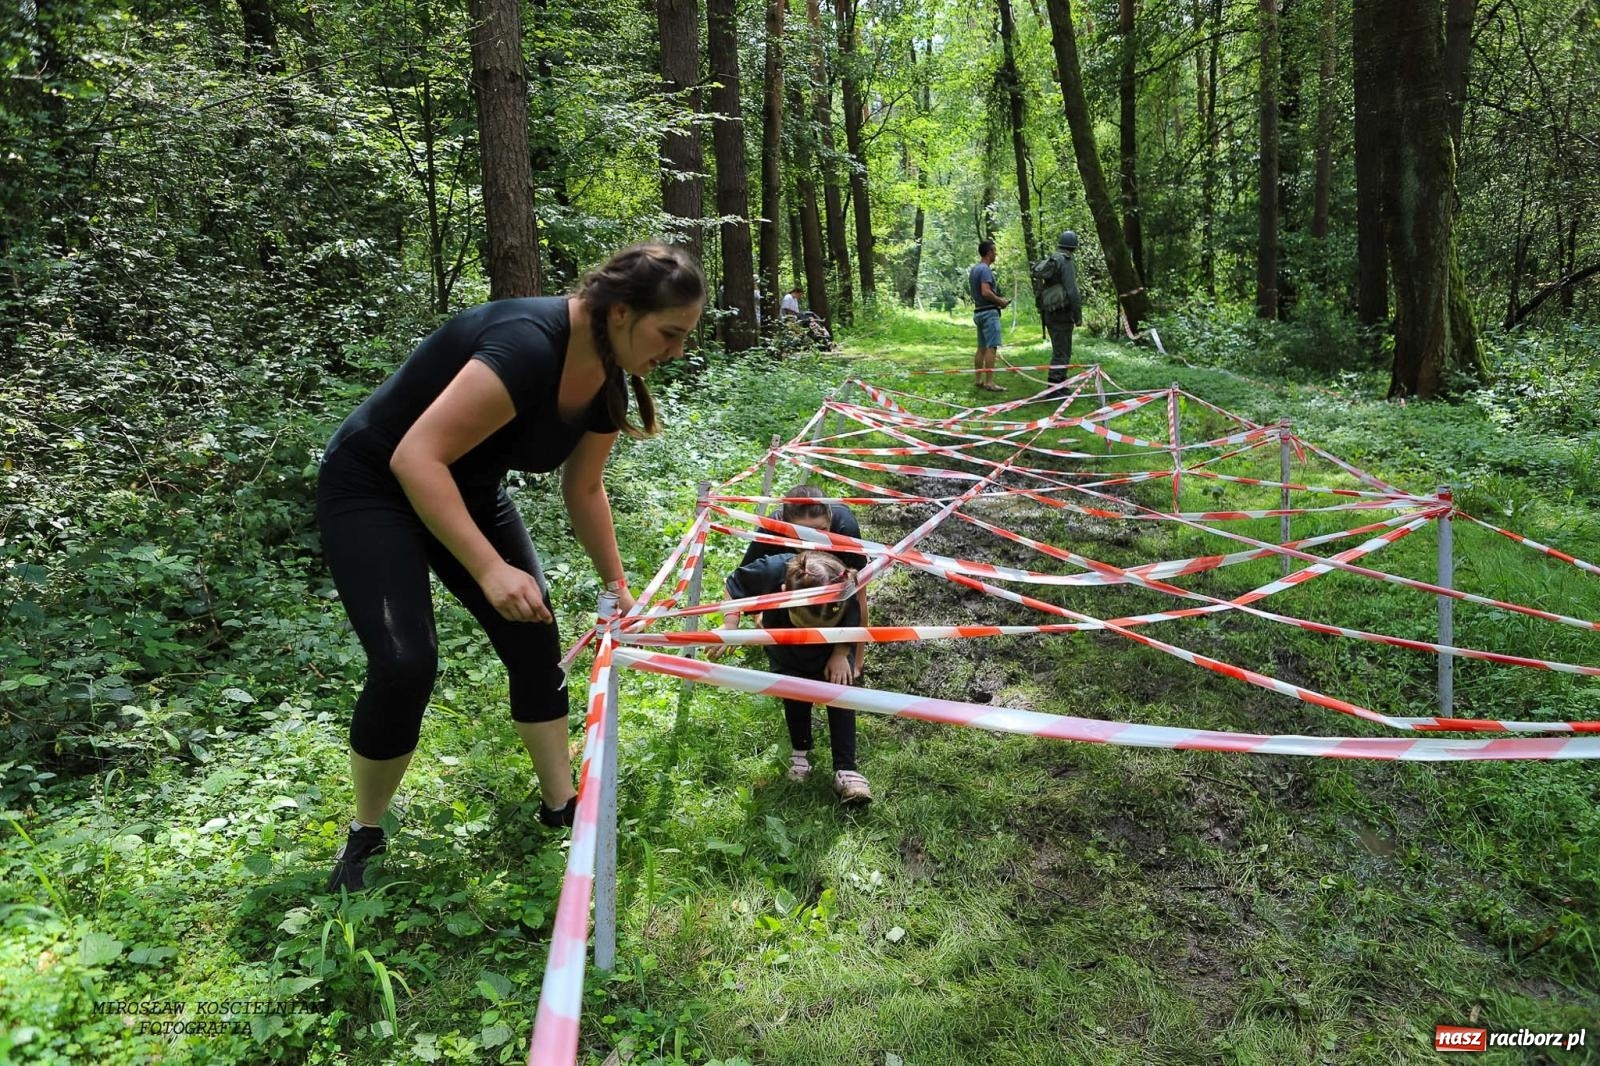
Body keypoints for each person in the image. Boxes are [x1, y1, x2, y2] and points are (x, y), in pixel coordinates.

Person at [317, 244, 705, 892]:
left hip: (463, 486)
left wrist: (617, 587)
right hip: (373, 484)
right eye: (670, 333)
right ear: (619, 313)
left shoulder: (607, 382)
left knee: (534, 636)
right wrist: (491, 569)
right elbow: (415, 458)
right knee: (405, 663)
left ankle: (561, 805)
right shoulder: (527, 345)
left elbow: (583, 490)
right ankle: (364, 835)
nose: (677, 351)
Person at [721, 550, 872, 804]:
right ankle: (800, 753)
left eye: (821, 628)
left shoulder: (842, 588)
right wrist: (730, 625)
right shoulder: (770, 570)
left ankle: (846, 769)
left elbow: (855, 620)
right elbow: (733, 585)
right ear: (784, 593)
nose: (811, 633)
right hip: (786, 650)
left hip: (832, 651)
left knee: (841, 696)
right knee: (794, 695)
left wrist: (840, 652)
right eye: (804, 624)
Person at [741, 483, 867, 572]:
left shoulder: (845, 527)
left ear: (830, 519)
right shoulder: (772, 529)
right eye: (802, 534)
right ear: (785, 525)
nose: (812, 543)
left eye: (821, 531)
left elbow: (858, 577)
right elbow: (742, 580)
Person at [1032, 230, 1084, 385]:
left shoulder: (1052, 259)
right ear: (1073, 247)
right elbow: (1072, 291)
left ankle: (1059, 383)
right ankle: (1056, 386)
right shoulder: (1066, 261)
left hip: (1049, 312)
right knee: (1062, 351)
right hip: (1062, 313)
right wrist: (1078, 316)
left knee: (1058, 349)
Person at [967, 239, 1009, 392]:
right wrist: (1000, 302)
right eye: (994, 251)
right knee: (991, 348)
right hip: (988, 313)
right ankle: (989, 382)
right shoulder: (985, 270)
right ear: (988, 253)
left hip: (978, 312)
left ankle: (978, 380)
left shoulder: (974, 269)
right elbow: (985, 291)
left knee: (981, 348)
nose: (995, 253)